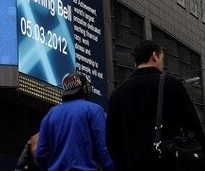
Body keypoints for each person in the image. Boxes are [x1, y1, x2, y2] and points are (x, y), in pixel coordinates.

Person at [106, 40, 204, 171]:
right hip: (167, 162)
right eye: (162, 59)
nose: (162, 64)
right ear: (154, 56)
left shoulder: (117, 93)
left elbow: (111, 138)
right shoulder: (171, 83)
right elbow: (192, 124)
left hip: (132, 165)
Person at [35, 72, 114, 171]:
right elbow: (103, 148)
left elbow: (40, 154)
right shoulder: (94, 110)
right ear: (85, 88)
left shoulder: (51, 114)